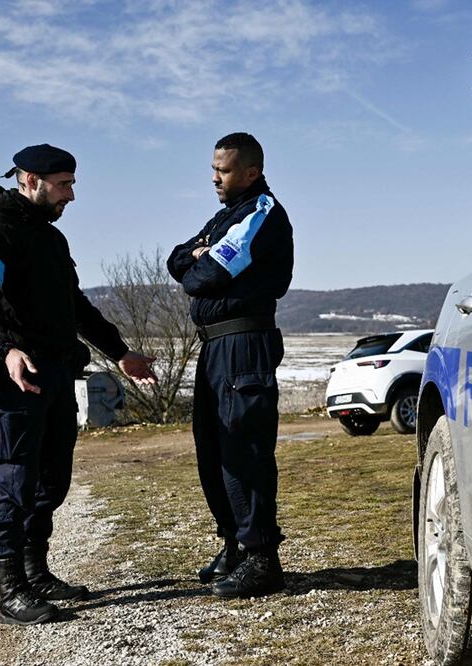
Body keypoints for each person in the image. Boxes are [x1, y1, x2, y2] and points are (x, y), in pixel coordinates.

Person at [0, 144, 157, 625]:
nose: (70, 195)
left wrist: (120, 352)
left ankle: (35, 569)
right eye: (63, 185)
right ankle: (12, 591)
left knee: (53, 479)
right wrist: (7, 348)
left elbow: (77, 307)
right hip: (18, 377)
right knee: (15, 481)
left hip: (56, 374)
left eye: (72, 184)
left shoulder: (50, 239)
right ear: (30, 180)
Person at [167, 132, 294, 598]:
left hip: (244, 342)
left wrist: (201, 259)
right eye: (213, 170)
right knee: (213, 449)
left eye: (222, 170)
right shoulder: (227, 216)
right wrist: (196, 255)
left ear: (251, 172)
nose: (214, 178)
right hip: (215, 346)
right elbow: (176, 259)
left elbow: (204, 276)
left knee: (244, 448)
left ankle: (263, 557)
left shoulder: (261, 214)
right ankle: (235, 544)